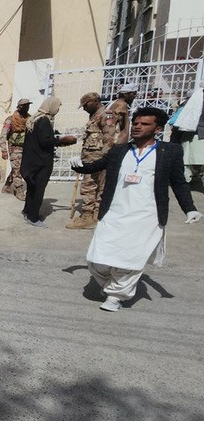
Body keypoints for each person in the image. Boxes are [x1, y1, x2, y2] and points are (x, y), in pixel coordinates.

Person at [69, 107, 201, 312]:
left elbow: (178, 182)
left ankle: (115, 296)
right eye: (136, 123)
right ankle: (111, 284)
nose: (138, 127)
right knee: (97, 258)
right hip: (114, 213)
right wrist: (79, 166)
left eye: (144, 124)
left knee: (129, 260)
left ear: (157, 129)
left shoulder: (170, 152)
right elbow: (97, 165)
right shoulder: (119, 150)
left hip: (146, 215)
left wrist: (189, 208)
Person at [20, 96, 77, 227]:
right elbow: (45, 142)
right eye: (57, 107)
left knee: (32, 188)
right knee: (38, 190)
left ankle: (27, 211)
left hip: (32, 161)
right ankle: (33, 218)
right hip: (41, 162)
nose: (57, 110)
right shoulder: (44, 121)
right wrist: (62, 140)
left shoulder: (34, 119)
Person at [66, 92, 117, 229]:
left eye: (86, 105)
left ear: (95, 101)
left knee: (89, 187)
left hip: (97, 159)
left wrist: (104, 160)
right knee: (92, 186)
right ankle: (94, 215)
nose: (84, 108)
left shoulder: (106, 115)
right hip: (90, 157)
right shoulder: (94, 116)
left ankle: (89, 216)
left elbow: (109, 139)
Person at [0, 98, 31, 200]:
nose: (27, 107)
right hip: (14, 147)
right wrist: (4, 150)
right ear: (19, 107)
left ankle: (7, 186)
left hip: (26, 148)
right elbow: (3, 135)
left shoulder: (30, 119)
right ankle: (19, 191)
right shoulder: (11, 119)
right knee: (18, 169)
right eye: (25, 106)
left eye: (28, 105)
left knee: (17, 168)